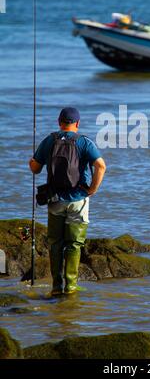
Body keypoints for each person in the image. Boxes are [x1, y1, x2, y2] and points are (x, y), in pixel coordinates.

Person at [29, 107, 106, 296]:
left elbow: (35, 169)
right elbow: (101, 166)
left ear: (59, 122)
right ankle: (71, 286)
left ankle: (56, 287)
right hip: (78, 199)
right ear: (77, 124)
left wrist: (31, 162)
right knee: (74, 244)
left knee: (55, 243)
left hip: (54, 200)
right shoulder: (84, 142)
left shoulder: (49, 140)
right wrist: (92, 190)